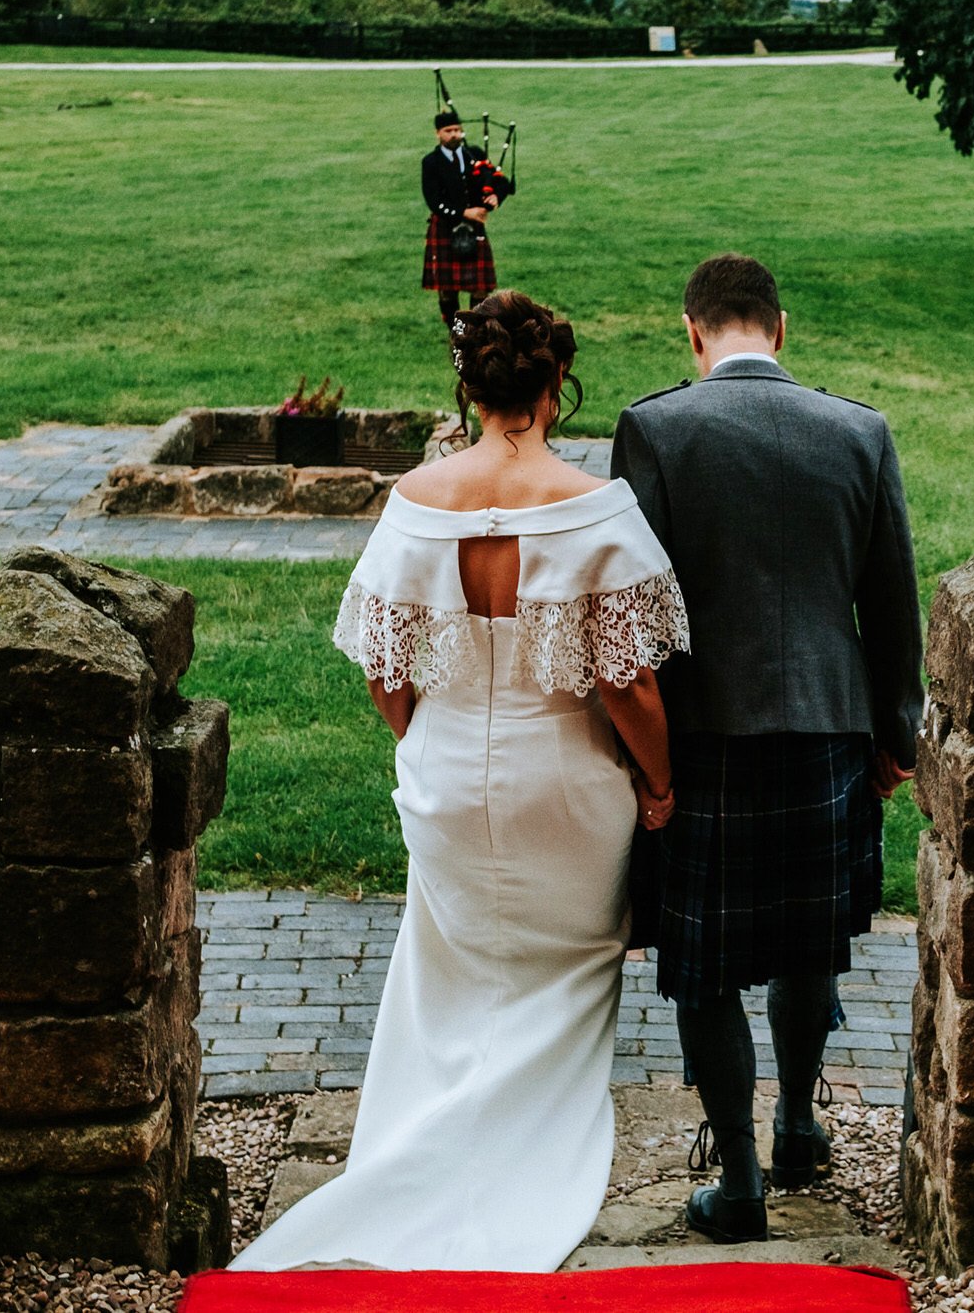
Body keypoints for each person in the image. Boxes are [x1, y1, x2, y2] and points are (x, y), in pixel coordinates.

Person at [232, 288, 689, 1272]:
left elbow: (383, 673)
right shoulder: (594, 505)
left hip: (444, 769)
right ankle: (519, 1171)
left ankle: (420, 1152)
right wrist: (657, 785)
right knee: (564, 974)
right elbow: (630, 682)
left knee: (448, 974)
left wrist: (426, 733)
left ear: (469, 382)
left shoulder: (415, 502)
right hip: (566, 781)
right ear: (556, 382)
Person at [613, 253, 923, 1244]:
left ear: (692, 333)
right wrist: (897, 734)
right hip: (829, 726)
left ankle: (740, 1181)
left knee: (703, 963)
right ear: (779, 329)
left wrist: (637, 757)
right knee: (809, 931)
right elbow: (892, 602)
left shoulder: (654, 429)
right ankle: (797, 1122)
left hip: (703, 735)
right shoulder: (859, 429)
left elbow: (633, 612)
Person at [421, 109, 507, 330]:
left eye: (458, 130)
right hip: (445, 228)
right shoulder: (431, 162)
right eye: (448, 131)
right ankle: (455, 331)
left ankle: (474, 330)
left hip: (474, 228)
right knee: (447, 288)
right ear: (437, 133)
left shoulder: (474, 154)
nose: (454, 135)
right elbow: (433, 200)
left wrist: (496, 194)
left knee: (480, 287)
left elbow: (498, 180)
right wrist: (463, 213)